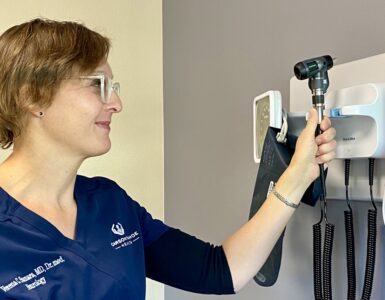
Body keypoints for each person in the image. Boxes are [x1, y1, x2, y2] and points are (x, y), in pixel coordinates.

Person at [0, 18, 336, 299]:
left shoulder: (109, 202)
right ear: (32, 96)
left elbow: (219, 270)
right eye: (97, 85)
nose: (116, 103)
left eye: (113, 86)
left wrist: (298, 174)